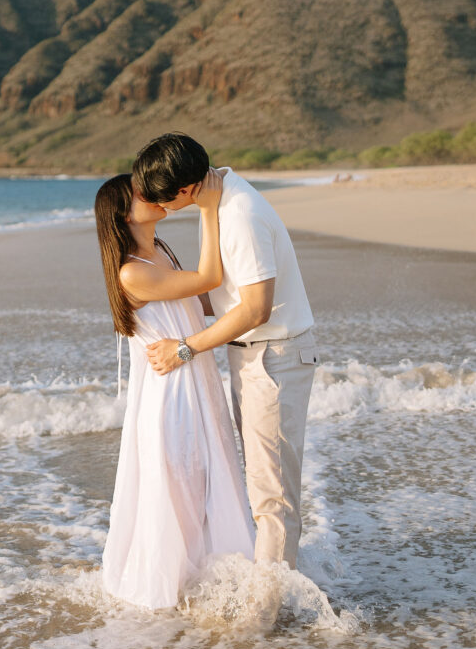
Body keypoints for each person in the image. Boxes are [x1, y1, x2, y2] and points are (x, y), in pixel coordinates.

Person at [133, 133, 318, 570]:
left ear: (184, 189)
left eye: (162, 200)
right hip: (259, 354)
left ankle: (266, 615)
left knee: (272, 497)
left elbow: (256, 308)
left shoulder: (239, 214)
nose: (159, 208)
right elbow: (224, 289)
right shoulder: (219, 201)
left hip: (273, 356)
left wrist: (184, 348)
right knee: (264, 486)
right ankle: (278, 589)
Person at [95, 171, 254, 610]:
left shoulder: (159, 251)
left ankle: (213, 580)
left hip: (193, 377)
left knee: (209, 475)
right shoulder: (130, 273)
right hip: (172, 396)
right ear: (125, 215)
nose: (153, 195)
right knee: (180, 488)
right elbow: (205, 279)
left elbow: (200, 299)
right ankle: (171, 598)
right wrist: (207, 209)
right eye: (141, 194)